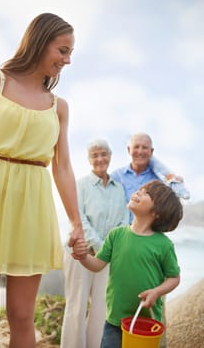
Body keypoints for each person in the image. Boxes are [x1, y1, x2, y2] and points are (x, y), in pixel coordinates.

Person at [0, 13, 84, 348]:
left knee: (22, 315)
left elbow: (62, 168)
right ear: (40, 41)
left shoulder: (59, 107)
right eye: (62, 50)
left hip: (31, 207)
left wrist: (76, 221)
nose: (67, 60)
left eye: (70, 52)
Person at [73, 180, 183, 348]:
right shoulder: (116, 234)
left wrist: (156, 292)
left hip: (146, 324)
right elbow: (97, 265)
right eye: (140, 189)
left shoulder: (164, 245)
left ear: (158, 213)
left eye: (147, 193)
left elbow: (174, 278)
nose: (138, 192)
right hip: (115, 320)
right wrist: (83, 257)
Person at [60, 139, 128, 348]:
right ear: (89, 159)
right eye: (95, 155)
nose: (100, 159)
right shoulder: (80, 185)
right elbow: (79, 219)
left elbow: (124, 221)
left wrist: (108, 251)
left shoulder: (119, 188)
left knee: (101, 309)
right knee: (76, 307)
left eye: (103, 154)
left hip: (107, 257)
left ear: (110, 156)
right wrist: (101, 248)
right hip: (80, 253)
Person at [111, 132, 190, 224]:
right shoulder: (116, 176)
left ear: (151, 152)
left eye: (144, 147)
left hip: (148, 233)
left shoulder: (159, 182)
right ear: (129, 150)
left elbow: (180, 200)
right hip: (121, 233)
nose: (140, 151)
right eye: (136, 147)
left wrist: (175, 182)